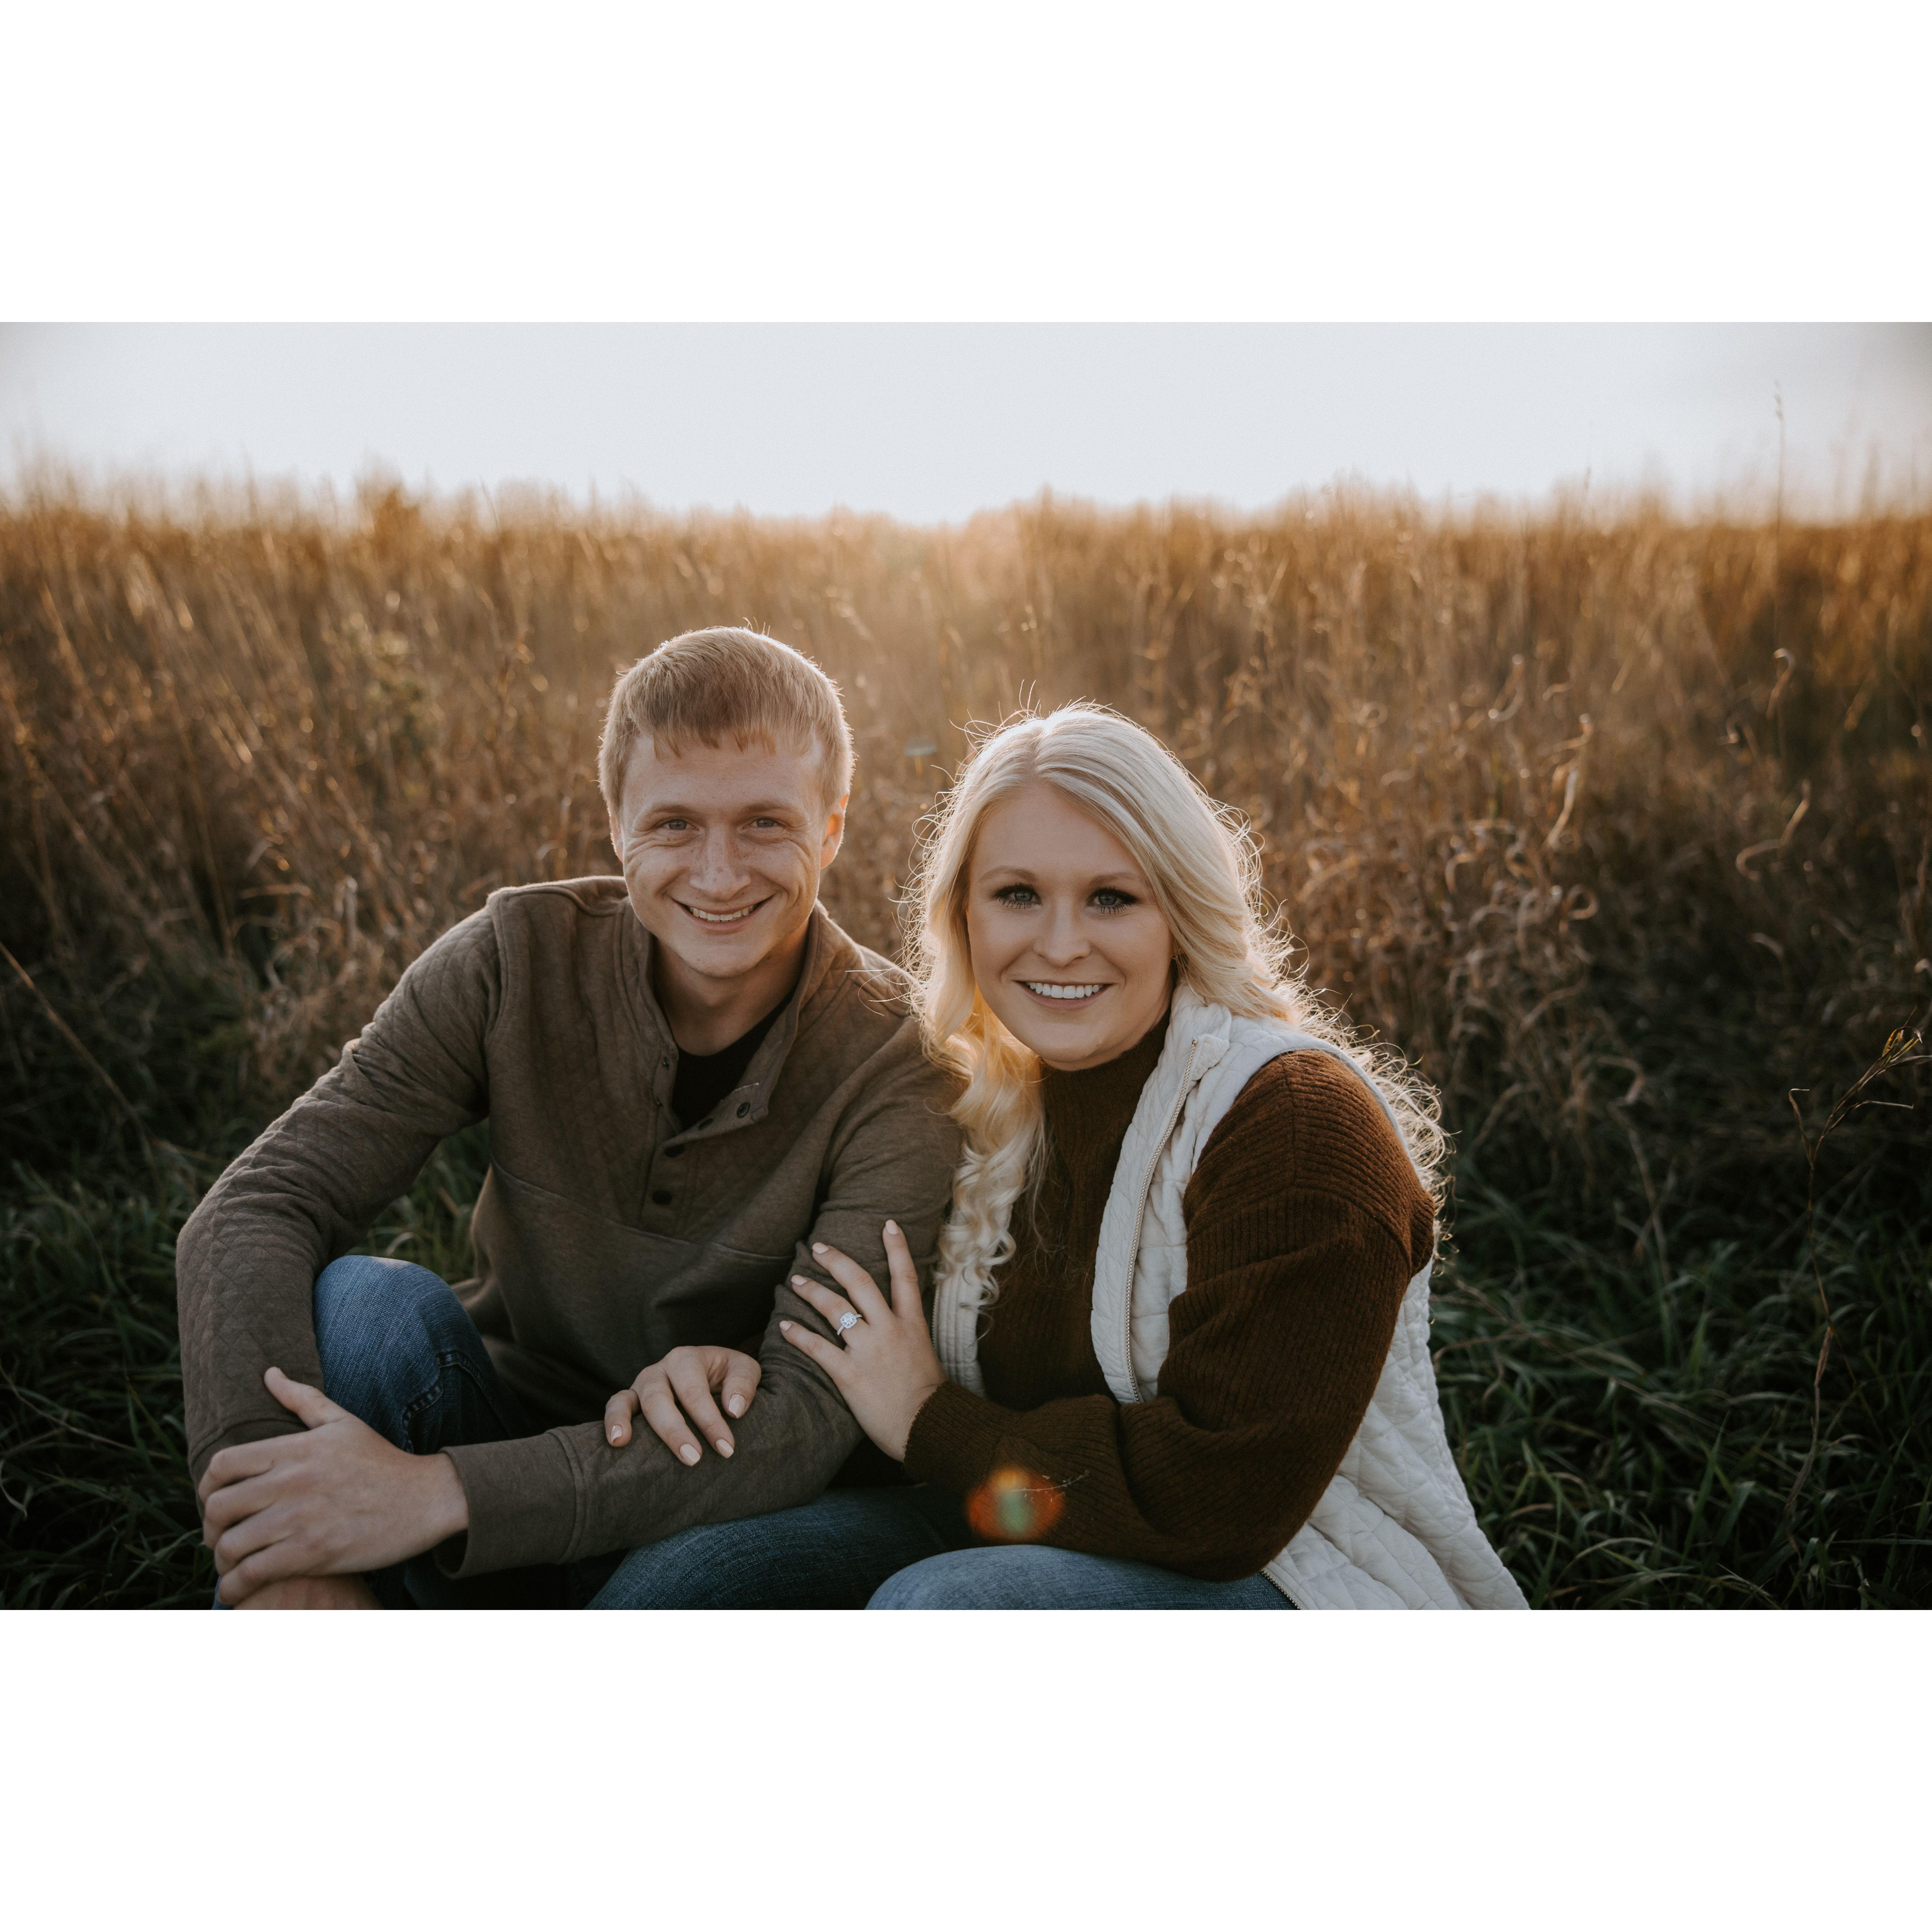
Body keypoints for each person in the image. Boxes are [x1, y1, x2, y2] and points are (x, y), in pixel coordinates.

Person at [590, 702, 1526, 1609]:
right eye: (1018, 896)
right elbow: (889, 1386)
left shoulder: (1292, 1125)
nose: (1062, 944)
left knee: (950, 1611)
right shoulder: (983, 1102)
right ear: (964, 916)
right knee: (698, 1577)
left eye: (1112, 898)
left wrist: (927, 1422)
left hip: (1301, 1576)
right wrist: (736, 1373)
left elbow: (1218, 1501)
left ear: (1180, 912)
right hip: (1024, 1522)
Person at [178, 627, 960, 1607]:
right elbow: (259, 1203)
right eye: (674, 825)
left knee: (685, 1583)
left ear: (833, 828)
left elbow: (801, 1423)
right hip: (508, 1414)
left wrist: (435, 1494)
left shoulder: (902, 1061)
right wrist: (286, 1542)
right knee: (368, 1312)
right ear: (616, 827)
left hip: (726, 1485)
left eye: (766, 823)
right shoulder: (513, 959)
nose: (720, 874)